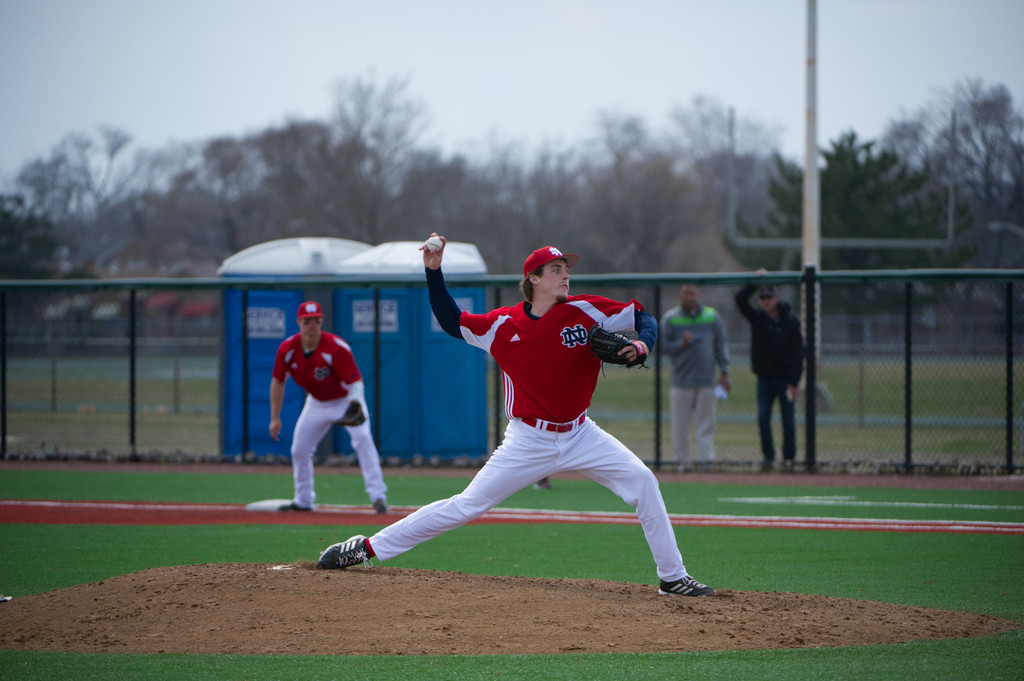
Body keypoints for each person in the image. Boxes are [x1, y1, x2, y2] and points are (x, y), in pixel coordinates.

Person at [317, 235, 715, 597]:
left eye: (566, 269)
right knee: (466, 505)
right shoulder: (503, 325)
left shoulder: (586, 311)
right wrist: (433, 272)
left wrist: (643, 344)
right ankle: (366, 548)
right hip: (529, 440)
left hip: (581, 434)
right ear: (534, 279)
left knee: (644, 481)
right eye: (556, 269)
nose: (565, 276)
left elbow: (642, 316)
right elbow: (452, 321)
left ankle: (673, 577)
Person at [269, 300, 389, 512]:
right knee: (299, 450)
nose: (312, 325)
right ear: (298, 322)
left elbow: (355, 382)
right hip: (316, 402)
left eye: (316, 320)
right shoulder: (288, 349)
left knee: (362, 439)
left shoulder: (335, 348)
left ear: (321, 321)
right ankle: (303, 500)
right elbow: (278, 381)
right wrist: (275, 417)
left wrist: (355, 403)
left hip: (345, 399)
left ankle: (378, 496)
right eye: (307, 321)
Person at [734, 272, 804, 472]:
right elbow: (740, 300)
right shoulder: (758, 318)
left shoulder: (791, 321)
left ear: (777, 298)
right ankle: (768, 457)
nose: (766, 301)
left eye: (769, 296)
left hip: (786, 380)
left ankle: (789, 458)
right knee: (763, 417)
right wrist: (754, 283)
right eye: (762, 297)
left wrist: (794, 381)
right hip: (764, 379)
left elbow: (798, 353)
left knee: (788, 420)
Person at [660, 284, 731, 472]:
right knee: (680, 427)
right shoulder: (671, 318)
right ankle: (683, 463)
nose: (689, 297)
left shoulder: (711, 316)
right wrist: (681, 343)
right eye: (686, 293)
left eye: (692, 293)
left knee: (705, 425)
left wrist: (725, 372)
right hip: (681, 381)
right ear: (680, 295)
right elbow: (661, 346)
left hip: (706, 381)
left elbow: (721, 345)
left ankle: (705, 462)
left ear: (698, 295)